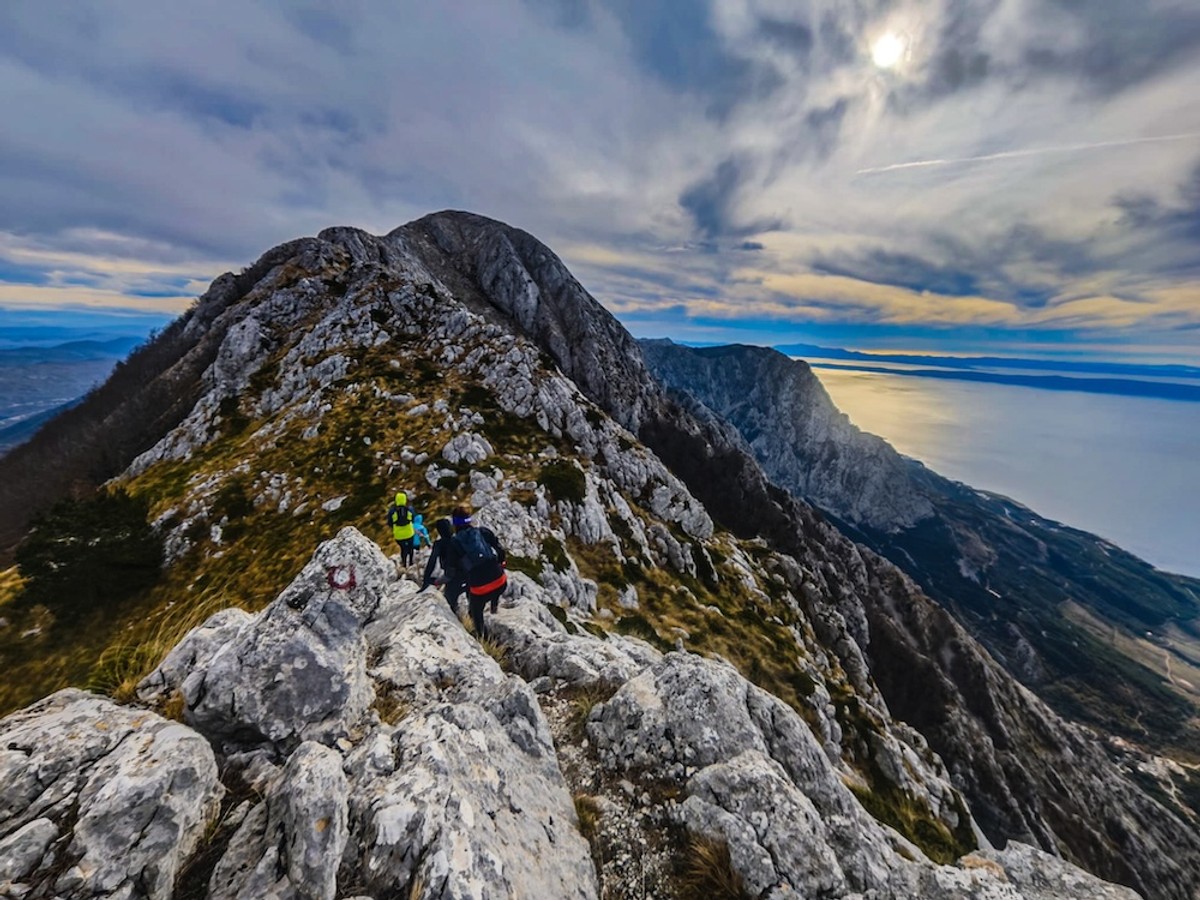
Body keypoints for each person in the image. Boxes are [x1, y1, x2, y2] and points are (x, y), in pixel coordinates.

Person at [449, 505, 507, 639]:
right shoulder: (483, 532)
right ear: (469, 520)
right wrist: (501, 564)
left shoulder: (454, 543)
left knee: (474, 612)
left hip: (480, 590)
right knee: (491, 582)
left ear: (455, 524)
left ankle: (483, 638)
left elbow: (454, 569)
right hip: (501, 582)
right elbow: (500, 550)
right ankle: (494, 605)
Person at [422, 518, 466, 615]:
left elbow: (432, 562)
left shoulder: (439, 544)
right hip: (467, 572)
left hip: (452, 575)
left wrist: (425, 581)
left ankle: (457, 617)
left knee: (450, 600)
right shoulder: (458, 539)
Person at [386, 490, 417, 567]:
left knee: (403, 548)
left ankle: (404, 563)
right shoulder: (410, 509)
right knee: (410, 547)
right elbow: (413, 519)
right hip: (409, 532)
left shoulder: (392, 511)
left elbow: (389, 523)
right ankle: (411, 562)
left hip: (398, 535)